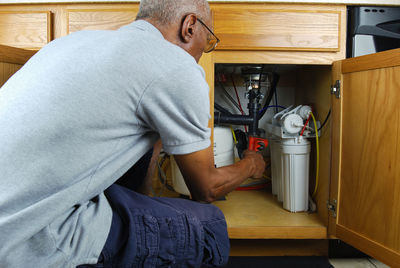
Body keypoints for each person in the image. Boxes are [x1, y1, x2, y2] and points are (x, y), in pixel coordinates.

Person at [0, 0, 265, 267]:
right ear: (190, 26)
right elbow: (206, 189)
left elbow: (141, 139)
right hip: (30, 237)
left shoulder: (72, 43)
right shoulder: (176, 65)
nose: (202, 52)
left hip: (14, 211)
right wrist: (250, 165)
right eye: (206, 42)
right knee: (210, 225)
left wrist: (147, 195)